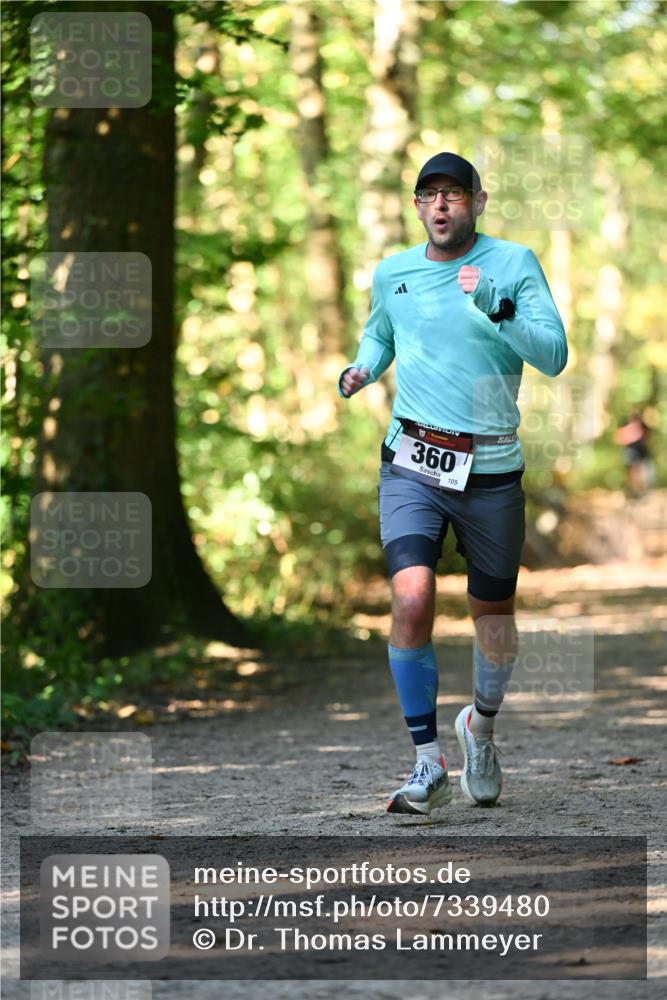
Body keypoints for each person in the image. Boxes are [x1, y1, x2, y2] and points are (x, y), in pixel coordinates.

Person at [339, 151, 568, 815]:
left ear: (478, 202)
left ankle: (481, 728)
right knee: (412, 598)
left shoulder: (513, 263)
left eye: (454, 194)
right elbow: (380, 336)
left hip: (490, 469)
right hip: (410, 460)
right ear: (417, 206)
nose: (441, 204)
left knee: (492, 618)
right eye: (429, 194)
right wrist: (362, 368)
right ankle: (426, 762)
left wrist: (497, 307)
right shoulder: (393, 272)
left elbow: (553, 355)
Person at [614, 411, 653, 497]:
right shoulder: (628, 428)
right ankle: (633, 491)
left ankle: (639, 491)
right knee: (632, 473)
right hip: (631, 452)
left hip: (641, 453)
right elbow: (619, 438)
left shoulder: (642, 427)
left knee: (640, 473)